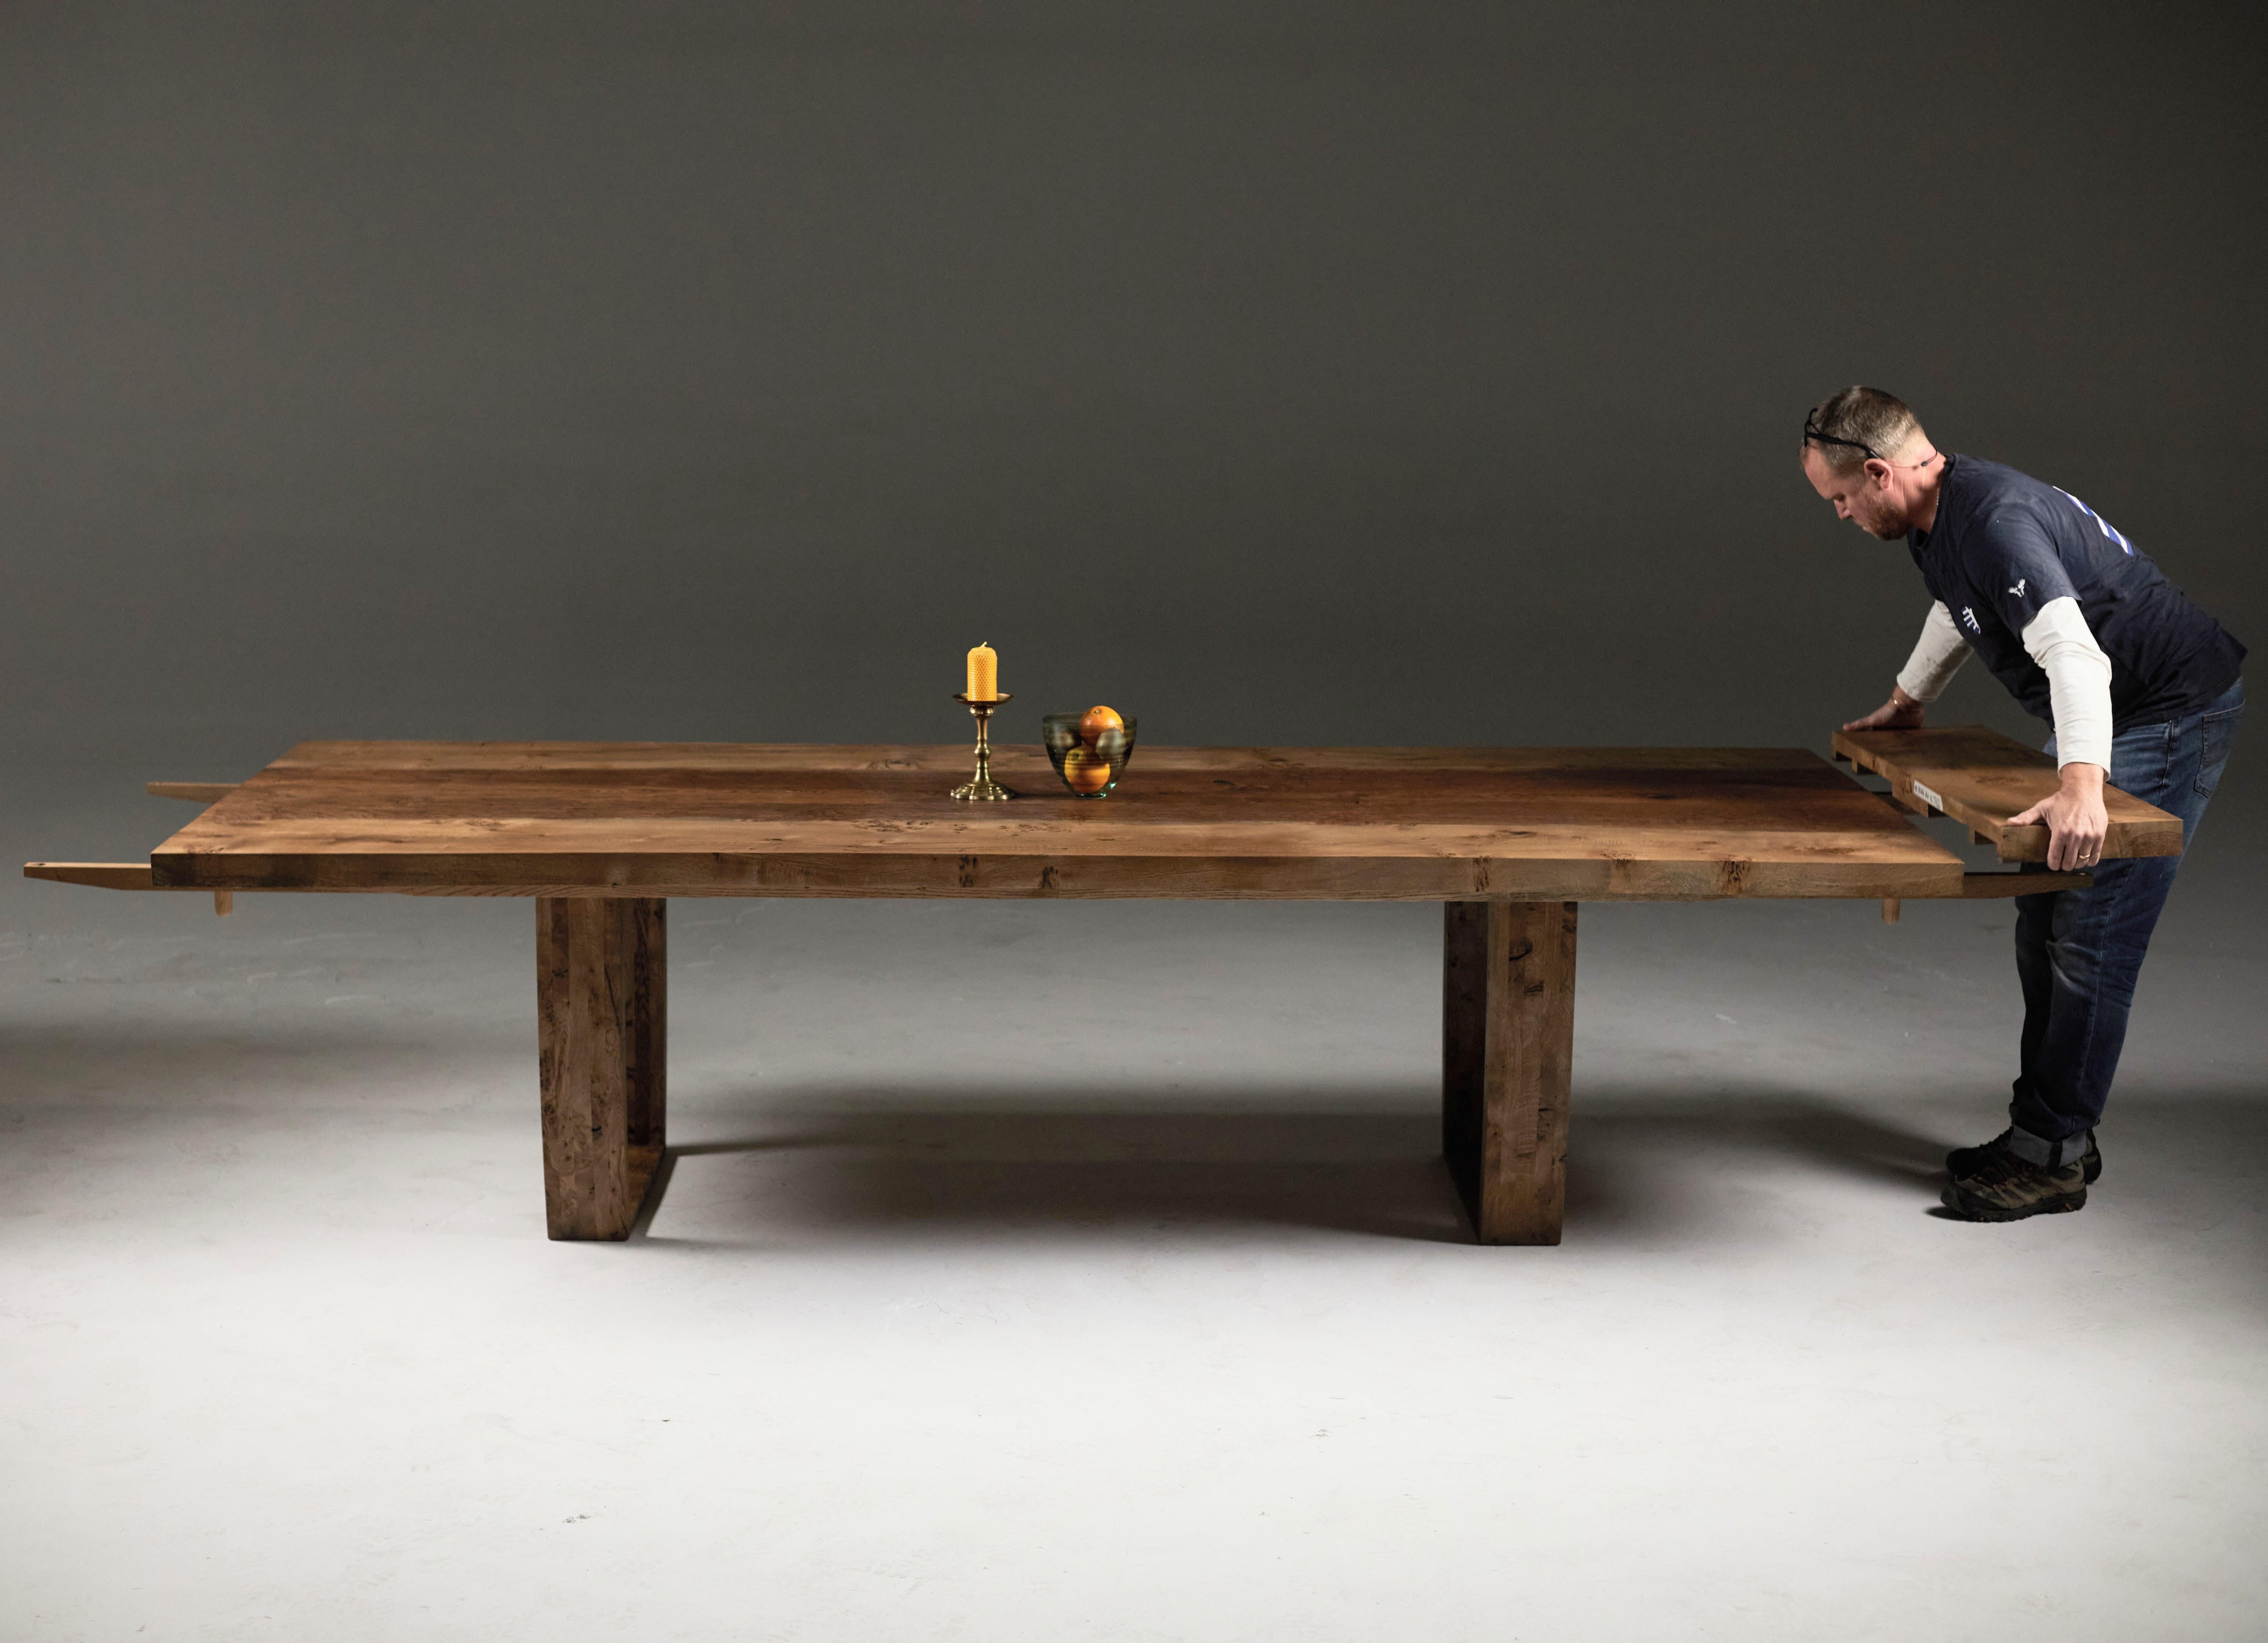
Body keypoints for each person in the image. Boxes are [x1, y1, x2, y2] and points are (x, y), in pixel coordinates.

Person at [1800, 386, 2244, 1222]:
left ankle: (2050, 1157)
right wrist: (1906, 697)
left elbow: (2075, 658)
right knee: (2041, 916)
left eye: (1839, 498)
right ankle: (2048, 1130)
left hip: (2167, 709)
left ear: (1877, 472)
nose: (1839, 514)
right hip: (2122, 711)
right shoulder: (1940, 516)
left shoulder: (1995, 519)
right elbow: (1958, 604)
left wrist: (2080, 786)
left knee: (2089, 938)